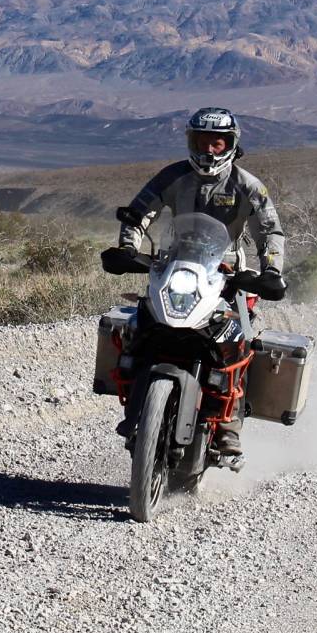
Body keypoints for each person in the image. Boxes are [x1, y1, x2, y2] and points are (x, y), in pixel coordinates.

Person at [101, 106, 286, 457]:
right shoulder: (172, 177)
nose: (209, 150)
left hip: (230, 275)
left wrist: (272, 272)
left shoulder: (248, 185)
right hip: (177, 265)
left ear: (230, 143)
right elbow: (140, 212)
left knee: (240, 342)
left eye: (217, 142)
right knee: (145, 322)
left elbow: (269, 230)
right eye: (202, 141)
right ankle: (136, 398)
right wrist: (127, 249)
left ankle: (229, 427)